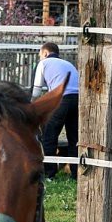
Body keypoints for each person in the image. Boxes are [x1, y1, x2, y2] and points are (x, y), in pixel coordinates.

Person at [31, 42, 79, 180]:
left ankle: (49, 174)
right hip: (78, 99)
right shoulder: (68, 64)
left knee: (49, 136)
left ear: (45, 53)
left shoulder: (44, 63)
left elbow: (36, 90)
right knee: (74, 138)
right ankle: (75, 173)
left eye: (40, 54)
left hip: (62, 99)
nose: (40, 57)